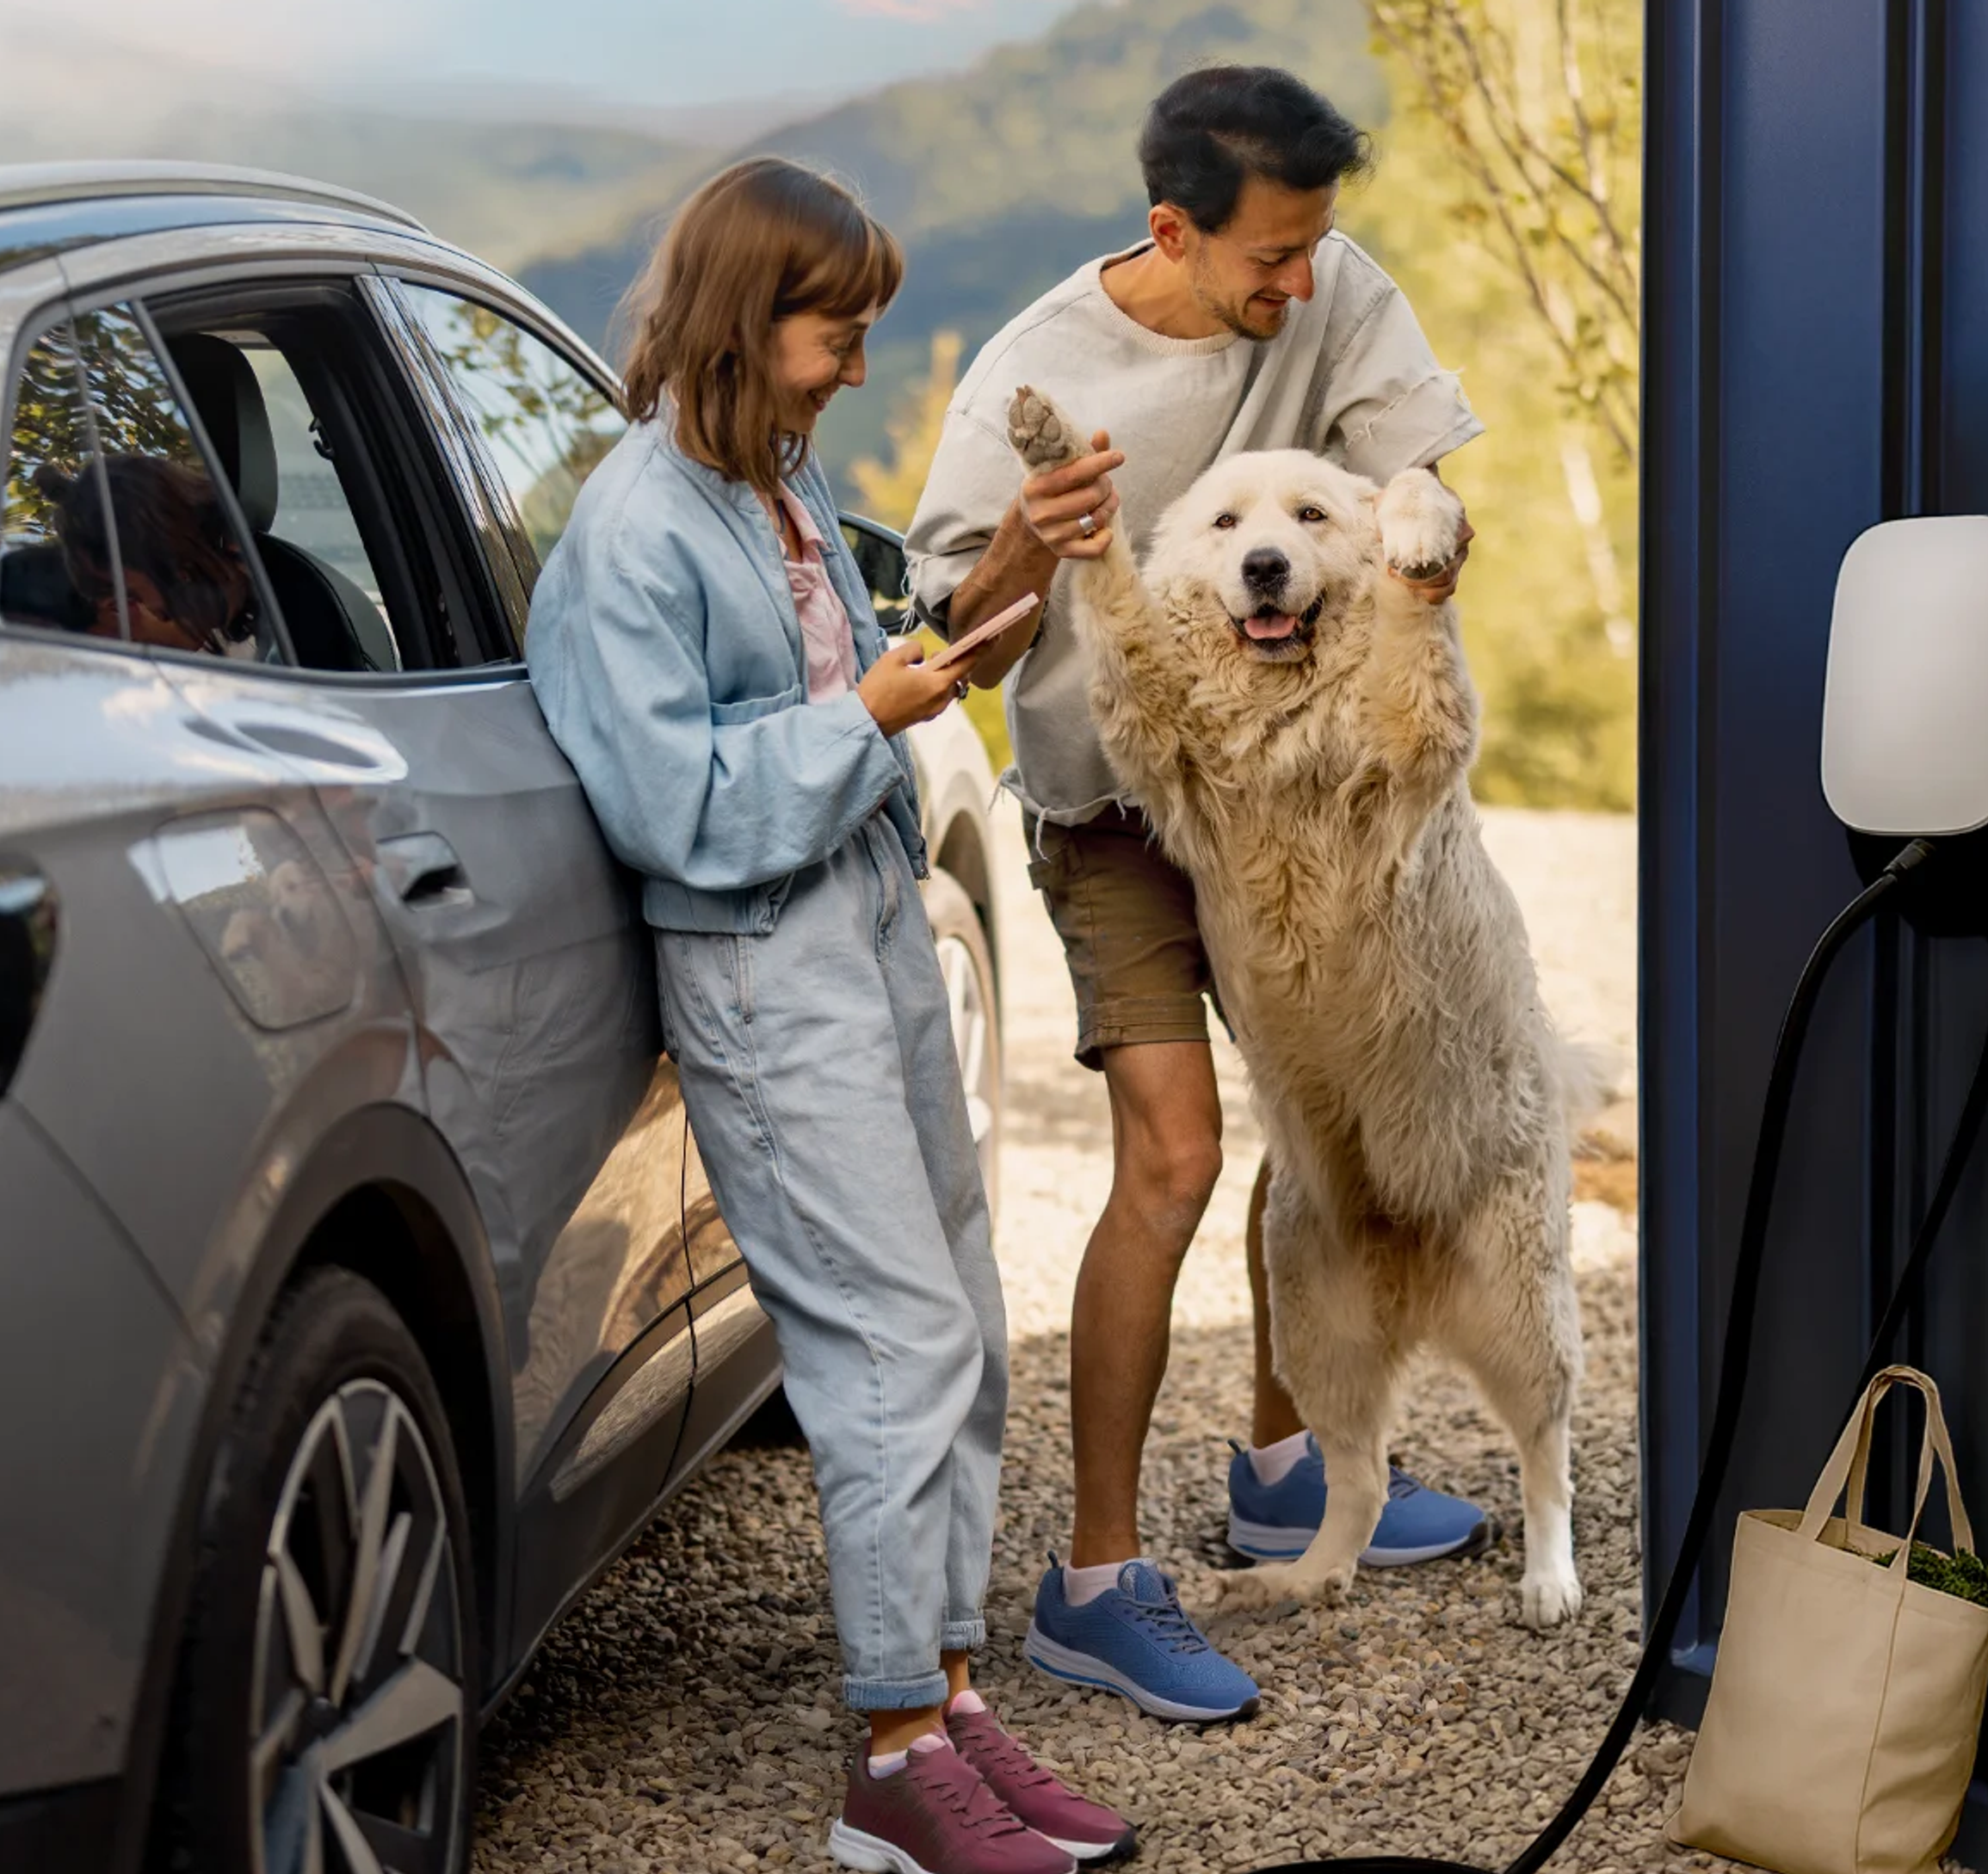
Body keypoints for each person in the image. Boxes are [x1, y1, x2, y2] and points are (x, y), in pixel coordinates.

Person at [526, 158, 1135, 1874]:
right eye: (835, 334)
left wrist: (1000, 577)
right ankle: (887, 1762)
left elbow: (862, 681)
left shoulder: (771, 487)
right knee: (887, 1351)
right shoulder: (634, 536)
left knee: (959, 1308)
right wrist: (860, 714)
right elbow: (669, 804)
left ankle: (948, 1707)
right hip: (765, 979)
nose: (857, 367)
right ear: (745, 319)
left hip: (860, 935)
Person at [904, 65, 1496, 1723]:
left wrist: (1433, 545)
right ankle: (1096, 1579)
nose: (1301, 283)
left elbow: (1426, 494)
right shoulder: (1036, 369)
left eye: (1317, 246)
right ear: (1172, 230)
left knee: (1319, 1136)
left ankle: (1285, 1469)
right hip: (1119, 808)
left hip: (1296, 802)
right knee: (1172, 1155)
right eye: (1269, 260)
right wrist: (1033, 540)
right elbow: (951, 634)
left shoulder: (1335, 279)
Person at [38, 453, 261, 657]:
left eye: (133, 595)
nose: (153, 611)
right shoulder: (253, 633)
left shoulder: (285, 602)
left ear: (174, 560)